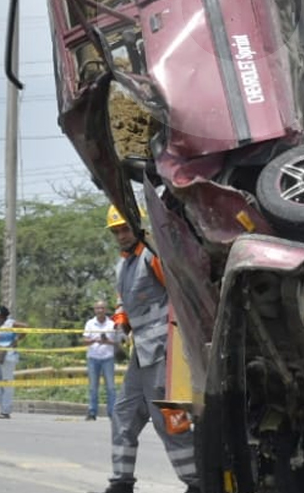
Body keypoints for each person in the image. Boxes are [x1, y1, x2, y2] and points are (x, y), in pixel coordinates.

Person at [104, 205, 198, 493]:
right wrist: (120, 326)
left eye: (125, 229)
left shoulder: (152, 256)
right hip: (143, 353)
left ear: (139, 226)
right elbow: (123, 303)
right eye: (116, 231)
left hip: (166, 352)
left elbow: (182, 291)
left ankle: (198, 483)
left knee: (170, 419)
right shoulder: (123, 266)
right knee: (123, 413)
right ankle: (121, 482)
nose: (121, 235)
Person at [83, 299, 120, 421]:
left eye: (102, 308)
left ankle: (112, 413)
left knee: (111, 387)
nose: (100, 310)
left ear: (106, 310)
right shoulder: (90, 323)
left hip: (107, 358)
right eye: (98, 308)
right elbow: (84, 341)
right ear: (95, 310)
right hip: (93, 358)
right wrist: (95, 340)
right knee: (93, 387)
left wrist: (106, 341)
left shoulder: (112, 323)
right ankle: (92, 412)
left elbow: (118, 342)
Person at [0, 303, 20, 419]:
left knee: (7, 382)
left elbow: (26, 327)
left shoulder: (10, 323)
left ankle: (5, 410)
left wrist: (17, 340)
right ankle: (3, 406)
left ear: (1, 315)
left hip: (8, 356)